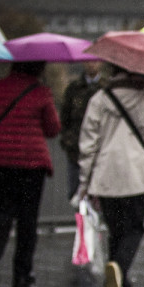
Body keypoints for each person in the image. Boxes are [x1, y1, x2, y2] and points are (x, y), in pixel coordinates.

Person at [75, 65, 144, 287]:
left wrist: (84, 182)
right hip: (137, 174)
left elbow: (88, 144)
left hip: (105, 174)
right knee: (135, 227)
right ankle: (119, 268)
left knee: (116, 229)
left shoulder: (99, 98)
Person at [0, 61, 61, 285]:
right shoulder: (41, 91)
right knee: (28, 217)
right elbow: (53, 128)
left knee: (3, 207)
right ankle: (23, 270)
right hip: (32, 163)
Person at [58, 60, 103, 200]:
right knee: (76, 195)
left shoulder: (106, 87)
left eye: (94, 61)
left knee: (101, 195)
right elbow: (64, 117)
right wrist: (67, 140)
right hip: (76, 149)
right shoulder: (74, 88)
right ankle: (81, 221)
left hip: (101, 150)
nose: (91, 64)